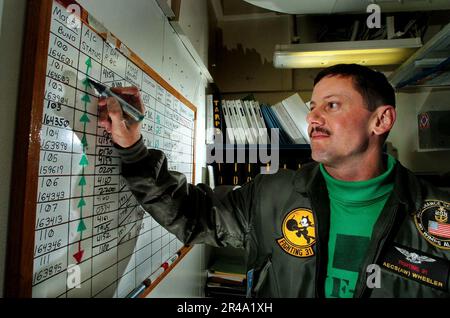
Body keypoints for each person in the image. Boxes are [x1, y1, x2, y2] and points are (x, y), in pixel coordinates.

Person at [98, 64, 450, 298]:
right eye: (313, 107)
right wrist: (133, 149)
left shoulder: (439, 219)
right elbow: (193, 215)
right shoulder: (274, 194)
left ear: (381, 120)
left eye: (332, 105)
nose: (312, 117)